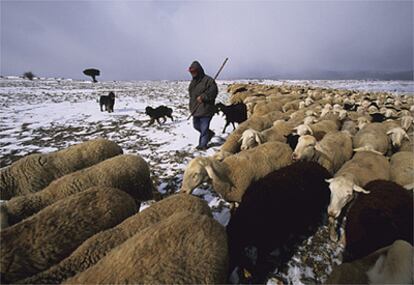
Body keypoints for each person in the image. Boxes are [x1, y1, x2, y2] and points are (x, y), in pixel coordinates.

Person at [188, 61, 218, 150]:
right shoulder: (193, 81)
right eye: (191, 72)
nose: (192, 74)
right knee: (196, 126)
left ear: (199, 70)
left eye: (194, 71)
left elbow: (213, 92)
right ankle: (210, 134)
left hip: (206, 109)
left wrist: (204, 97)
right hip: (196, 109)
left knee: (204, 129)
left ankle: (202, 145)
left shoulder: (209, 81)